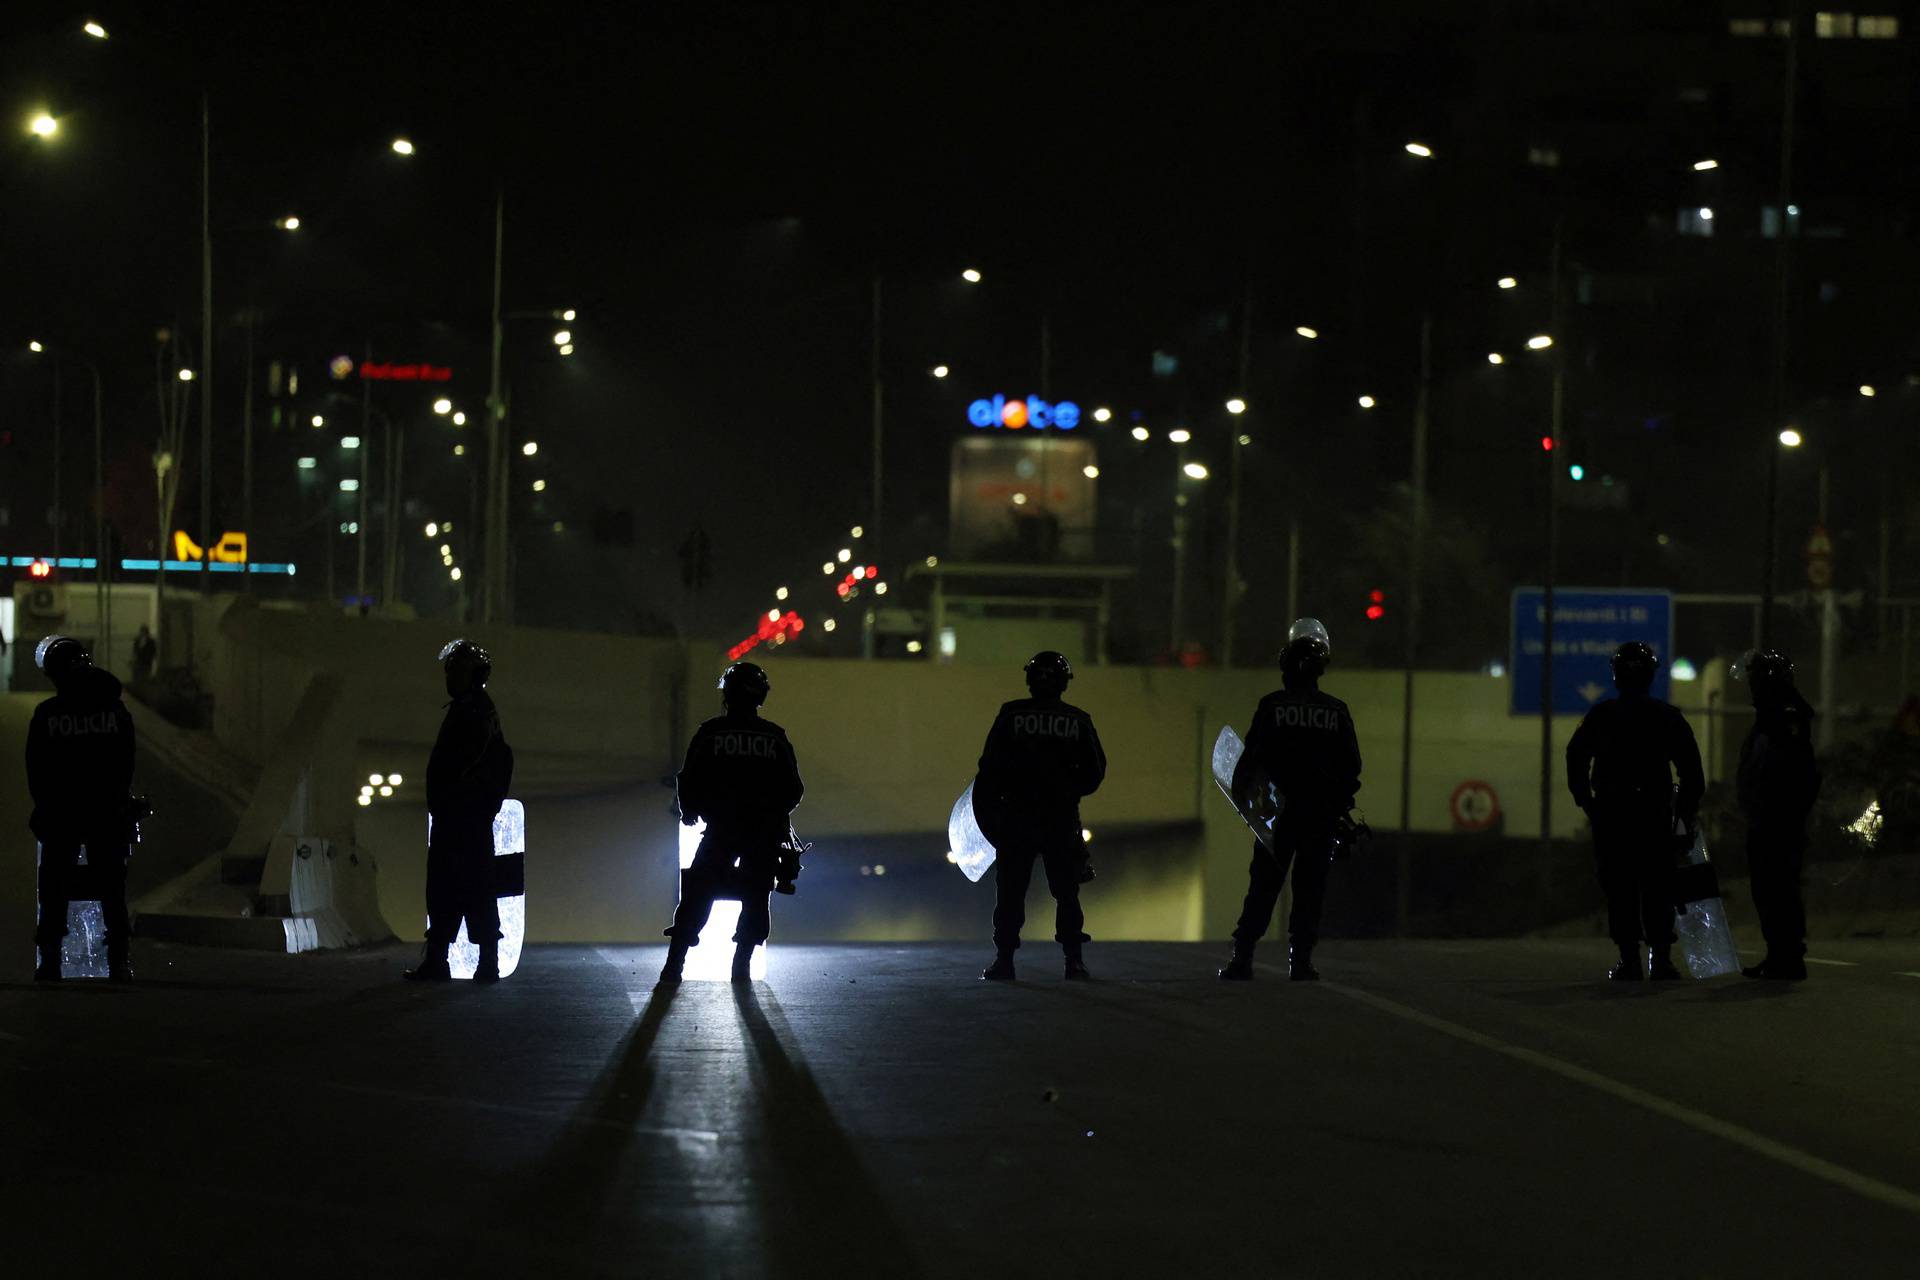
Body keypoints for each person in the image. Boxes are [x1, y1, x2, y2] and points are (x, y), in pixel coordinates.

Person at [1218, 619, 1363, 982]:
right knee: (1310, 889)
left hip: (1276, 816)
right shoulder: (1337, 710)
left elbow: (1247, 764)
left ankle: (1243, 959)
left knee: (1263, 888)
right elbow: (1352, 767)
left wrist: (1253, 805)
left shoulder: (1271, 707)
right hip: (1319, 819)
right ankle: (1300, 962)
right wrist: (1336, 806)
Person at [1566, 641, 1704, 982]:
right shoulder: (1667, 717)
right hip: (1652, 815)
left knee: (1621, 887)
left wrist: (1589, 803)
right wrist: (1683, 815)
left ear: (1615, 676)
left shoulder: (1601, 717)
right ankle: (1660, 959)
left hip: (1614, 816)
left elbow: (1576, 759)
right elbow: (1692, 773)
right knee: (1658, 886)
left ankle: (1630, 959)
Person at [660, 662, 805, 984]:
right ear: (761, 696)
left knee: (699, 892)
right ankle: (741, 967)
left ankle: (674, 965)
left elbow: (688, 777)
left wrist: (690, 811)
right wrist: (774, 814)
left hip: (720, 830)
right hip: (763, 833)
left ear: (726, 694)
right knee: (756, 896)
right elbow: (794, 790)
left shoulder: (710, 732)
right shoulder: (774, 736)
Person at [975, 651, 1107, 981]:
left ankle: (1004, 961)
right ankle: (1073, 961)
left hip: (1016, 819)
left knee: (1010, 893)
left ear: (1029, 680)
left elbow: (988, 769)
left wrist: (995, 814)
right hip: (1059, 819)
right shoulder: (1078, 720)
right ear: (1064, 683)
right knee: (1066, 892)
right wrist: (1068, 790)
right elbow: (1096, 770)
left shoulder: (1011, 714)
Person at [26, 635, 137, 982]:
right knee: (111, 888)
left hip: (62, 815)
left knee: (54, 888)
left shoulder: (48, 715)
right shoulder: (116, 711)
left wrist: (46, 808)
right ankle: (119, 963)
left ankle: (50, 964)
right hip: (106, 812)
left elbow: (36, 769)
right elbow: (127, 762)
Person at [406, 639, 514, 983]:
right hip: (459, 816)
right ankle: (448, 961)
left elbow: (469, 764)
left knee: (466, 886)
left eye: (456, 671)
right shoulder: (473, 709)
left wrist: (462, 800)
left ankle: (478, 962)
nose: (450, 677)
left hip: (463, 818)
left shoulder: (474, 712)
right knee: (450, 888)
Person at [1737, 650, 1820, 980]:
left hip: (1779, 821)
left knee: (1780, 888)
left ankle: (1788, 956)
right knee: (1768, 889)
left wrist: (1783, 811)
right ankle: (1778, 954)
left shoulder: (1785, 718)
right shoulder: (1771, 717)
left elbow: (1793, 772)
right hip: (1766, 819)